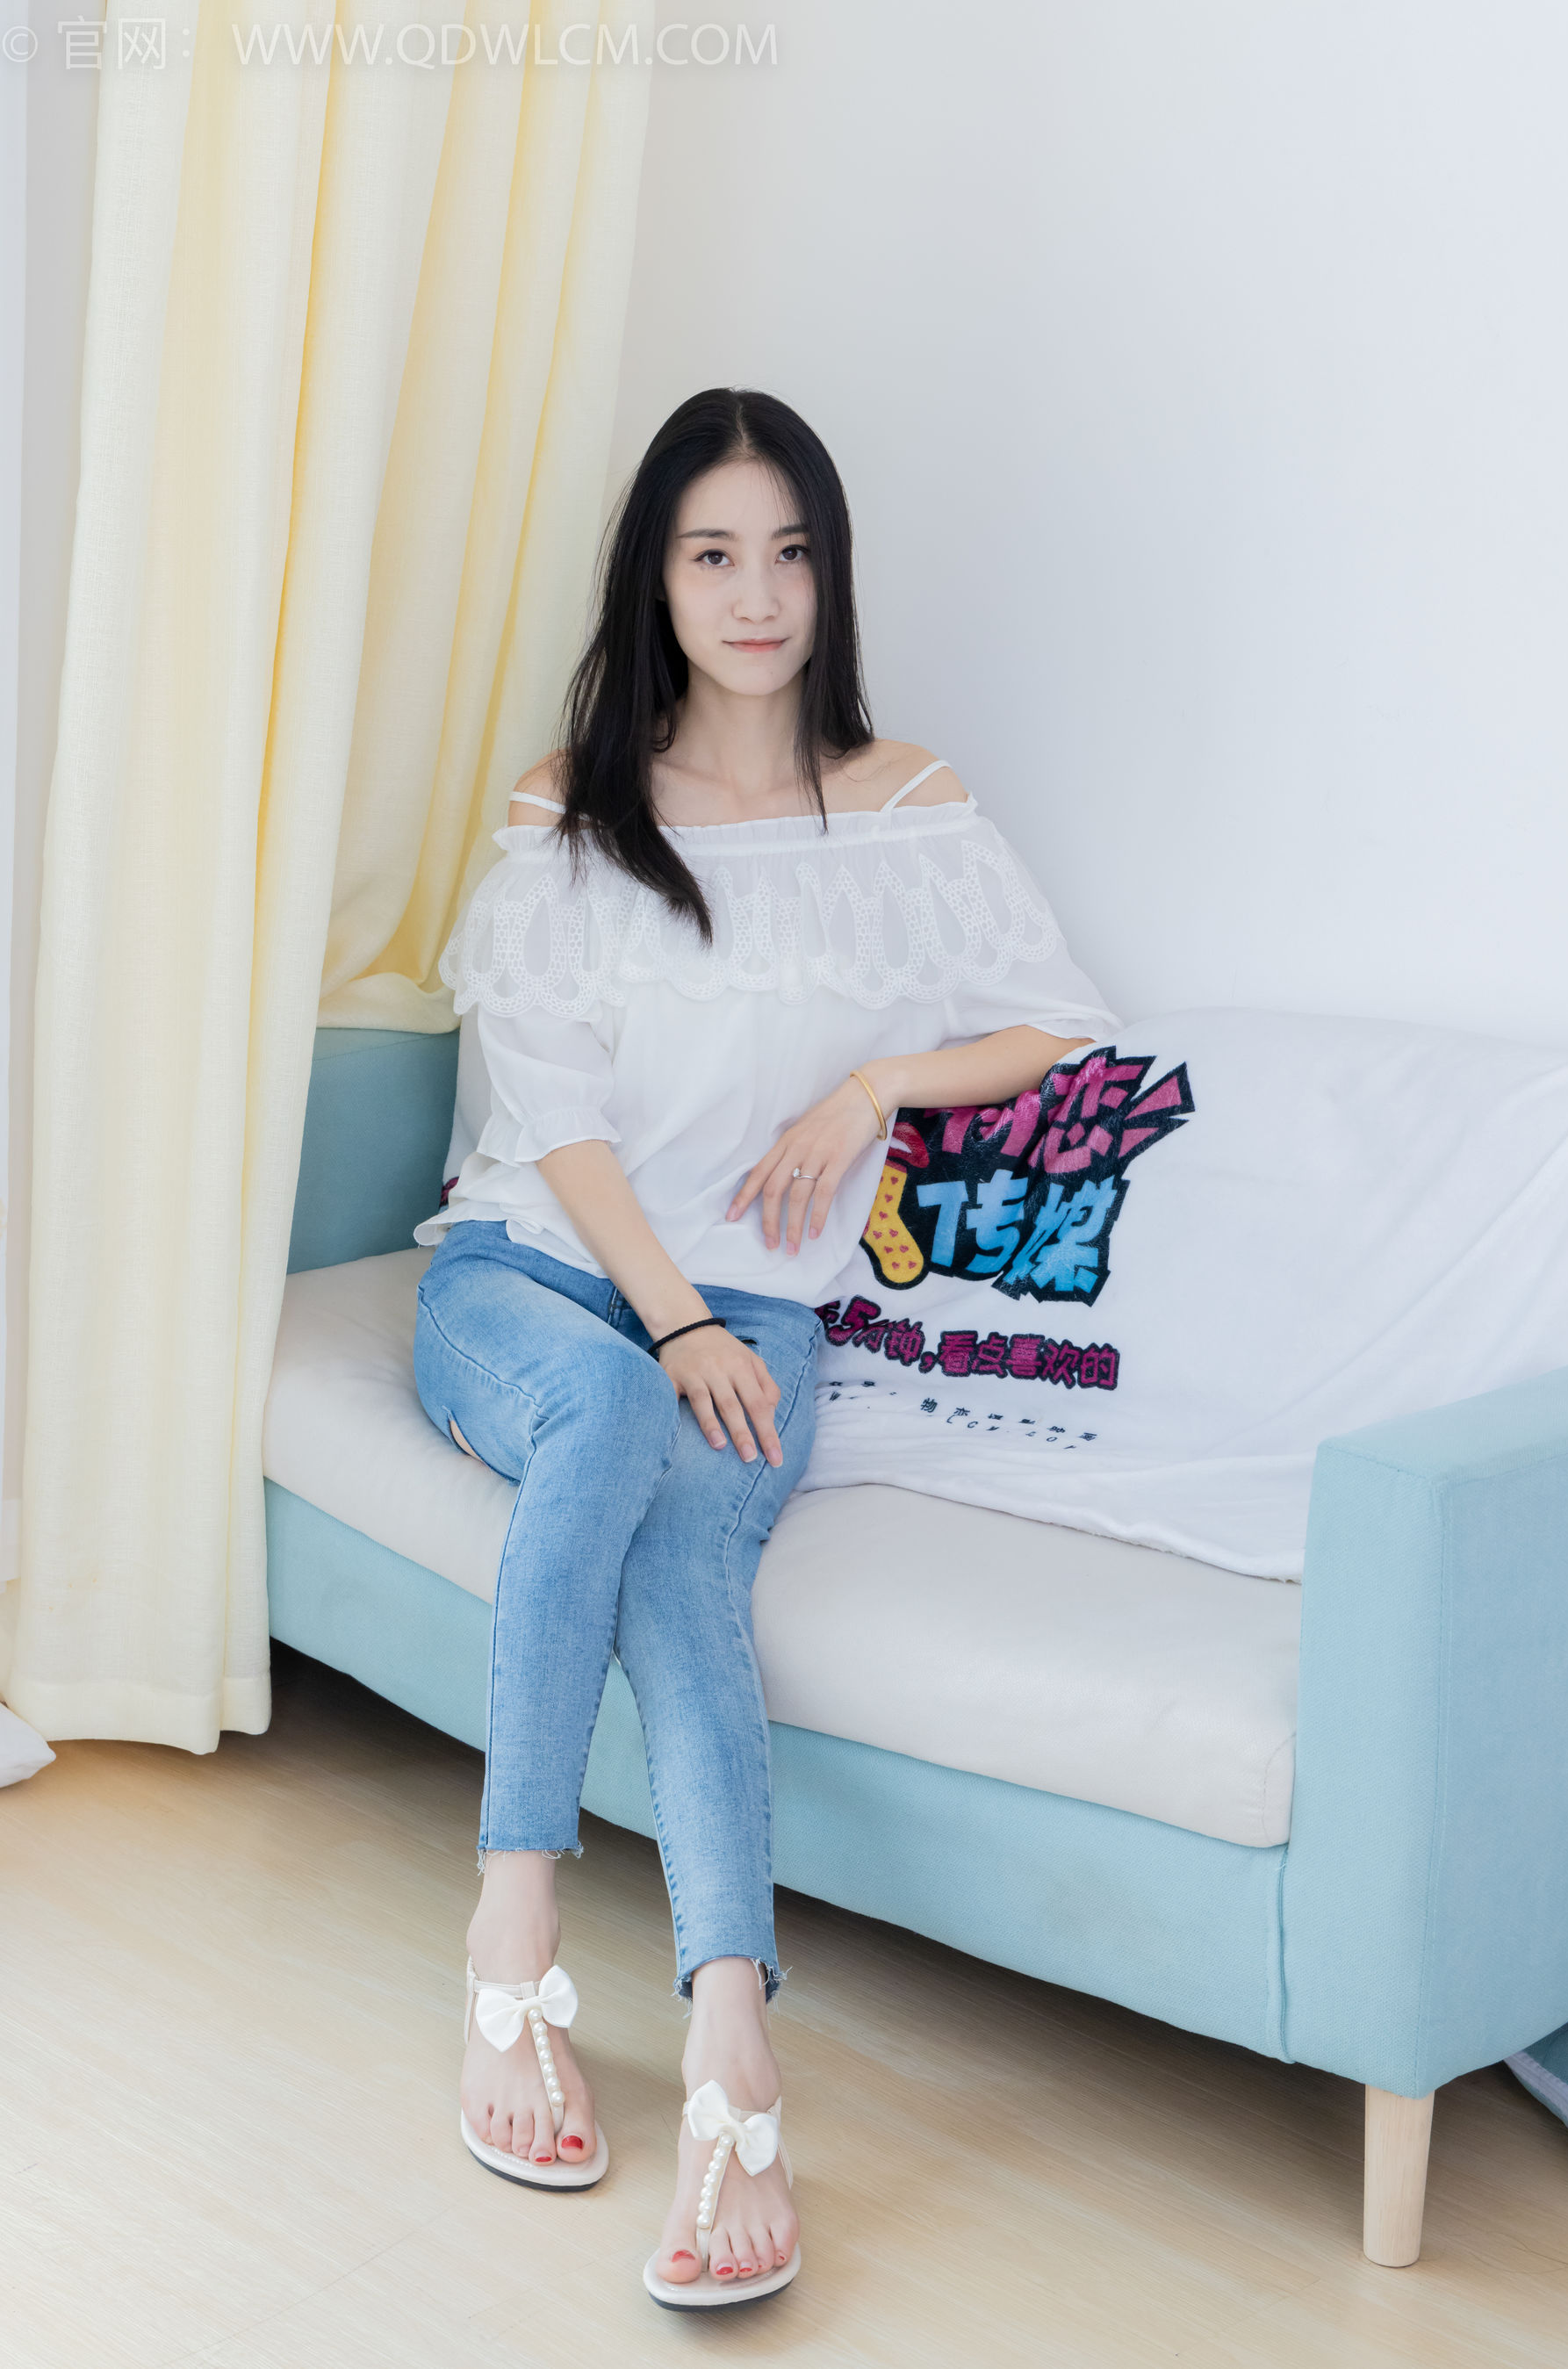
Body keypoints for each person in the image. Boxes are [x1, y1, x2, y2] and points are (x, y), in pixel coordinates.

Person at [411, 387, 1117, 2308]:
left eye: (790, 552)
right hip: (536, 1275)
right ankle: (511, 1933)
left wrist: (876, 1081)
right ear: (657, 574)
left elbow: (1053, 1019)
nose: (756, 593)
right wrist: (671, 1315)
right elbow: (555, 1119)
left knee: (693, 1566)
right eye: (715, 552)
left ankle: (733, 2032)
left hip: (761, 1312)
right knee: (609, 1413)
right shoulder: (574, 805)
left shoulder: (901, 802)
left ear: (831, 574)